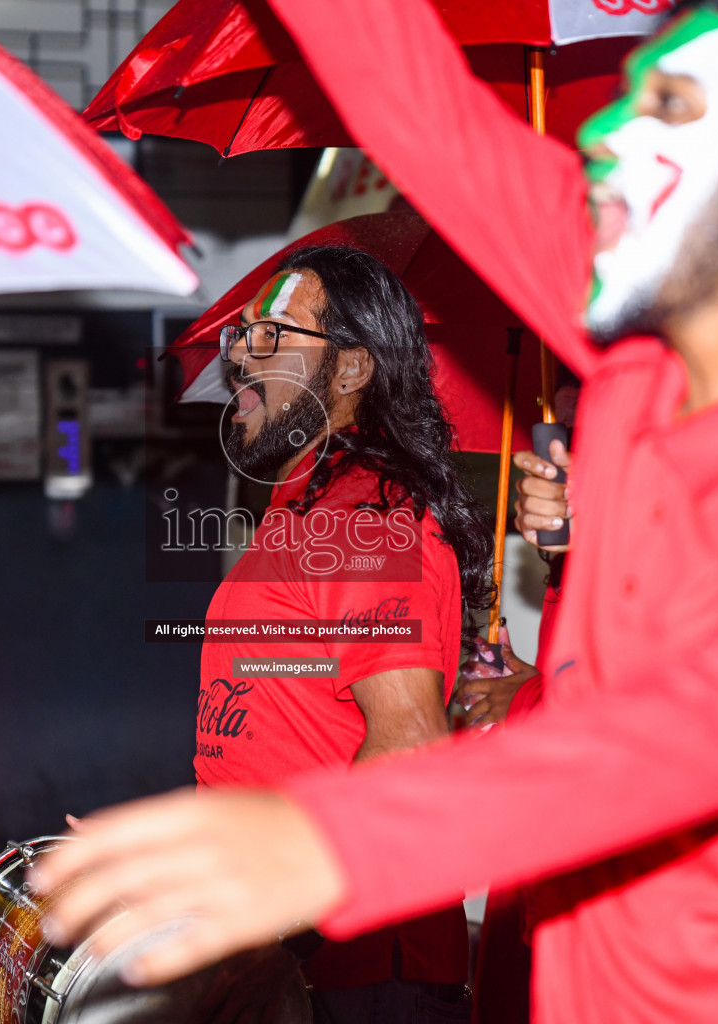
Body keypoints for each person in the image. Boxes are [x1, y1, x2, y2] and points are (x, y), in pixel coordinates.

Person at [31, 2, 718, 1022]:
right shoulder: (646, 368)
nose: (603, 134)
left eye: (670, 109)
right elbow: (424, 111)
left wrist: (324, 840)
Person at [196, 244, 493, 1021]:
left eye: (276, 335)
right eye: (245, 335)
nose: (241, 360)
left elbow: (408, 745)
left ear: (353, 371)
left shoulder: (371, 512)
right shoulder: (303, 506)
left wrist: (286, 929)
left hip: (355, 966)